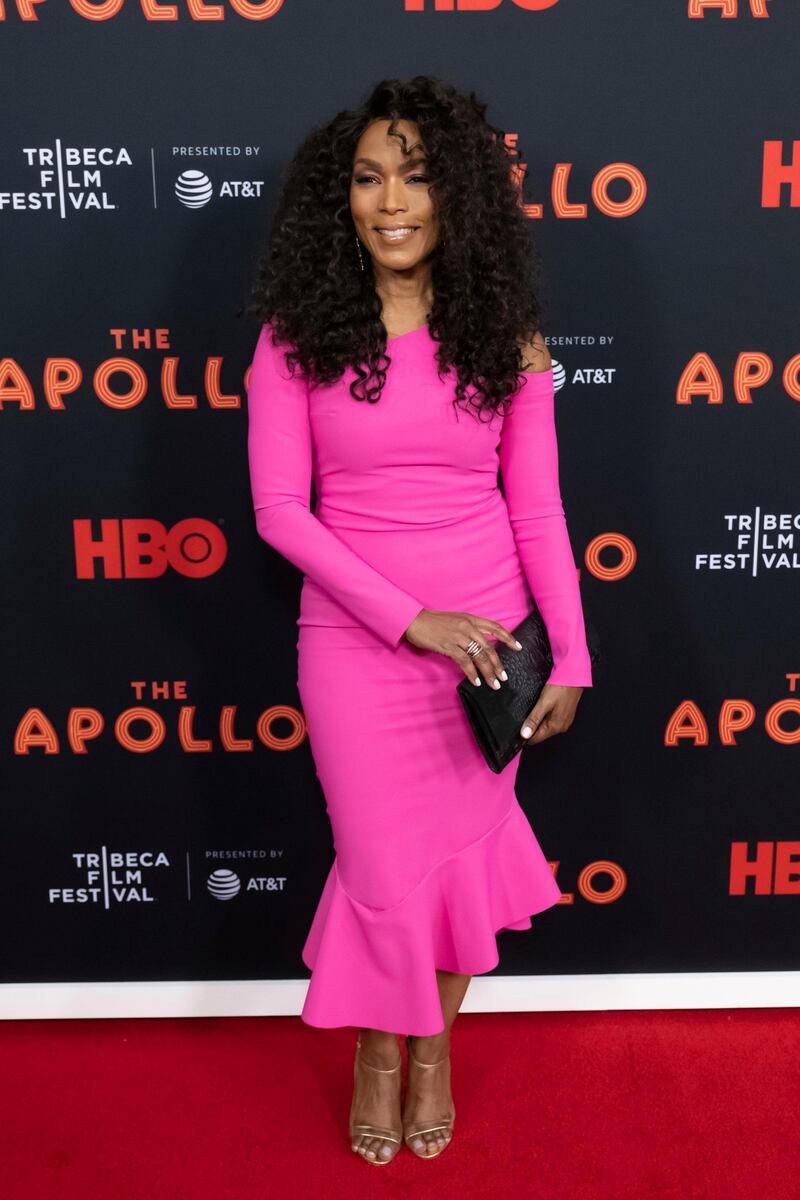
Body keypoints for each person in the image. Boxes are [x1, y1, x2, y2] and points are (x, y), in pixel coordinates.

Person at [244, 75, 593, 1165]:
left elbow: (533, 507)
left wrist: (571, 654)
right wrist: (409, 621)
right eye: (367, 176)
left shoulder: (503, 337)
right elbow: (278, 515)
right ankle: (377, 1052)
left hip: (489, 646)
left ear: (461, 198)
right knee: (384, 872)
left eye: (418, 174)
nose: (390, 199)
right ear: (336, 197)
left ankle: (429, 1050)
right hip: (357, 646)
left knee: (457, 872)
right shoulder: (294, 338)